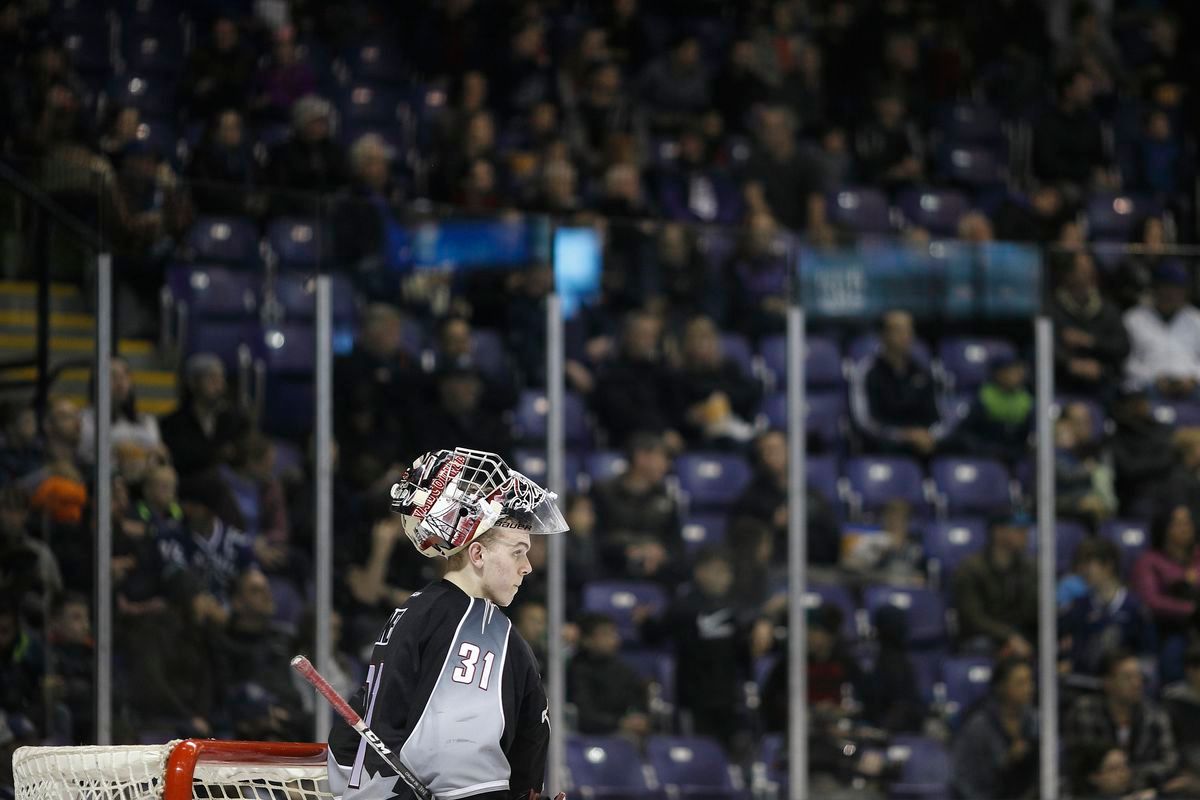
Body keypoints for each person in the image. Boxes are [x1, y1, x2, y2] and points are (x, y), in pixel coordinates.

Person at [326, 447, 569, 800]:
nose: (527, 566)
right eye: (518, 551)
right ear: (478, 554)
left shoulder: (414, 611)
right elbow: (519, 748)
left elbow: (358, 737)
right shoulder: (488, 630)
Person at [1064, 649, 1181, 794]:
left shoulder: (1154, 716)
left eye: (1139, 676)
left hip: (1145, 793)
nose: (1137, 683)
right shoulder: (1084, 711)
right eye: (1127, 677)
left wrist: (1129, 777)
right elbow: (1082, 763)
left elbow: (1169, 762)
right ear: (1107, 682)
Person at [849, 309, 950, 458]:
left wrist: (928, 435)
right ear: (883, 335)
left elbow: (939, 416)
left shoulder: (925, 371)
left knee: (956, 445)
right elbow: (865, 421)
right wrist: (904, 435)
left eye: (909, 330)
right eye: (898, 330)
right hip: (887, 442)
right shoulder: (867, 372)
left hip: (923, 441)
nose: (905, 336)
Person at [950, 657, 1039, 800]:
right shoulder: (979, 726)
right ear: (1001, 687)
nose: (1029, 688)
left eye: (1030, 681)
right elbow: (964, 780)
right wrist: (1006, 762)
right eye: (1020, 683)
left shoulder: (1035, 721)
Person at [952, 512, 1039, 657]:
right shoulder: (970, 569)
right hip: (985, 636)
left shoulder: (1028, 568)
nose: (1025, 535)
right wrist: (1009, 636)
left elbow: (1032, 611)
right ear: (998, 532)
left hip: (1019, 635)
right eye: (1018, 530)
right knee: (981, 645)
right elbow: (974, 618)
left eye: (1026, 530)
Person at [1124, 261, 1200, 398]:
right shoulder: (1133, 319)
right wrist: (1154, 378)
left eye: (1178, 288)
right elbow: (1126, 363)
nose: (1172, 294)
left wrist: (1194, 379)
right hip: (1148, 389)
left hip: (1193, 390)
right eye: (1167, 287)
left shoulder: (1196, 319)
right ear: (1155, 288)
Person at [567, 612, 650, 740]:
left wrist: (639, 719)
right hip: (588, 737)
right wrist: (619, 723)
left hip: (622, 734)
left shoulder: (623, 669)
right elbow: (585, 716)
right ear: (586, 640)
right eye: (605, 634)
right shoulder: (576, 670)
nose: (613, 639)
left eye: (613, 633)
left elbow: (638, 703)